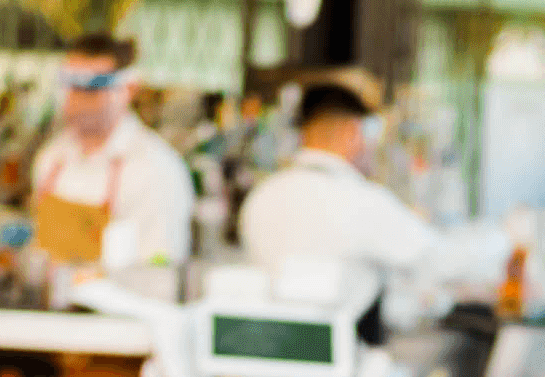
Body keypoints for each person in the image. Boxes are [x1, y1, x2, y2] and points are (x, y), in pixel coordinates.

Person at [239, 80, 440, 339]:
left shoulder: (261, 197)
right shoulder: (361, 200)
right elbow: (433, 257)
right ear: (351, 132)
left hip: (270, 351)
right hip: (341, 360)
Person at [30, 33, 193, 271]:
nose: (78, 99)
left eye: (93, 87)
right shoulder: (51, 159)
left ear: (129, 89)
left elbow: (161, 271)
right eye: (71, 85)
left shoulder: (155, 170)